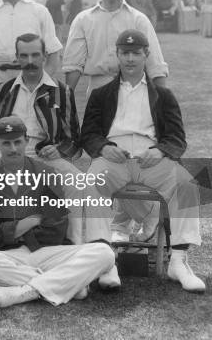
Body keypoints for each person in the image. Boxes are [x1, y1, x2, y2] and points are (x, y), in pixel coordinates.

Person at [0, 33, 105, 251]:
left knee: (76, 180)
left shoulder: (62, 92)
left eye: (35, 55)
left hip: (42, 155)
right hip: (4, 152)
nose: (30, 61)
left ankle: (73, 246)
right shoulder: (0, 90)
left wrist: (59, 149)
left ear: (44, 56)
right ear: (17, 58)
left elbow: (73, 139)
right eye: (24, 55)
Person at [81, 29, 205, 293]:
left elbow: (177, 138)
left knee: (187, 183)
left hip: (152, 161)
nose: (130, 59)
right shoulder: (101, 94)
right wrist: (103, 147)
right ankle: (105, 262)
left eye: (136, 53)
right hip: (115, 159)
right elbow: (88, 134)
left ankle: (179, 262)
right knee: (91, 181)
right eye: (124, 53)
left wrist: (160, 150)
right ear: (117, 55)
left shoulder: (164, 95)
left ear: (146, 55)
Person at [0, 116, 115, 308]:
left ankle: (26, 291)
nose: (13, 149)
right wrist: (27, 222)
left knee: (104, 253)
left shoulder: (47, 174)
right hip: (9, 256)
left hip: (47, 252)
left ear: (27, 141)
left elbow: (55, 230)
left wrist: (10, 231)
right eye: (6, 143)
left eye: (18, 142)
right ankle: (65, 283)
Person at [63, 0, 169, 95]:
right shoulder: (83, 20)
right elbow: (73, 65)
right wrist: (66, 99)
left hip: (133, 90)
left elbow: (155, 66)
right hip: (98, 92)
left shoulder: (138, 20)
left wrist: (164, 103)